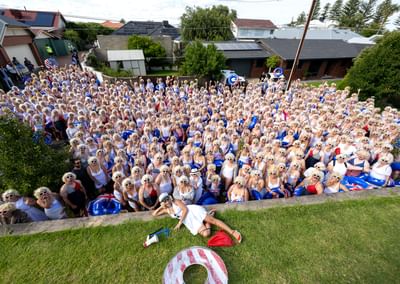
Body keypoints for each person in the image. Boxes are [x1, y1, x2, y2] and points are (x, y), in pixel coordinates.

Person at [153, 193, 242, 242]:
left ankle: (233, 232)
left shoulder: (176, 202)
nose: (167, 201)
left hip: (193, 212)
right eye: (164, 201)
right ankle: (208, 218)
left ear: (169, 198)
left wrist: (179, 223)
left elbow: (185, 210)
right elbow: (154, 214)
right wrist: (162, 206)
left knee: (213, 221)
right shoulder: (167, 210)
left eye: (167, 199)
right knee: (206, 234)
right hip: (189, 221)